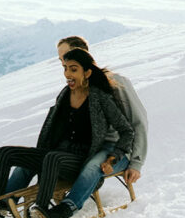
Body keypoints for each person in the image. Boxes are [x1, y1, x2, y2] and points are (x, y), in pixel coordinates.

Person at [0, 47, 134, 218]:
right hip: (58, 153)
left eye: (73, 69)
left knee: (52, 157)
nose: (67, 74)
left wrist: (114, 157)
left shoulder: (101, 98)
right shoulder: (65, 94)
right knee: (6, 152)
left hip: (78, 160)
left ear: (87, 72)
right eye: (65, 68)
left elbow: (127, 131)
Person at [56, 36, 148, 187]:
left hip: (114, 149)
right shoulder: (74, 88)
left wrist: (136, 163)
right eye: (61, 60)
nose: (64, 63)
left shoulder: (114, 82)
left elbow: (138, 121)